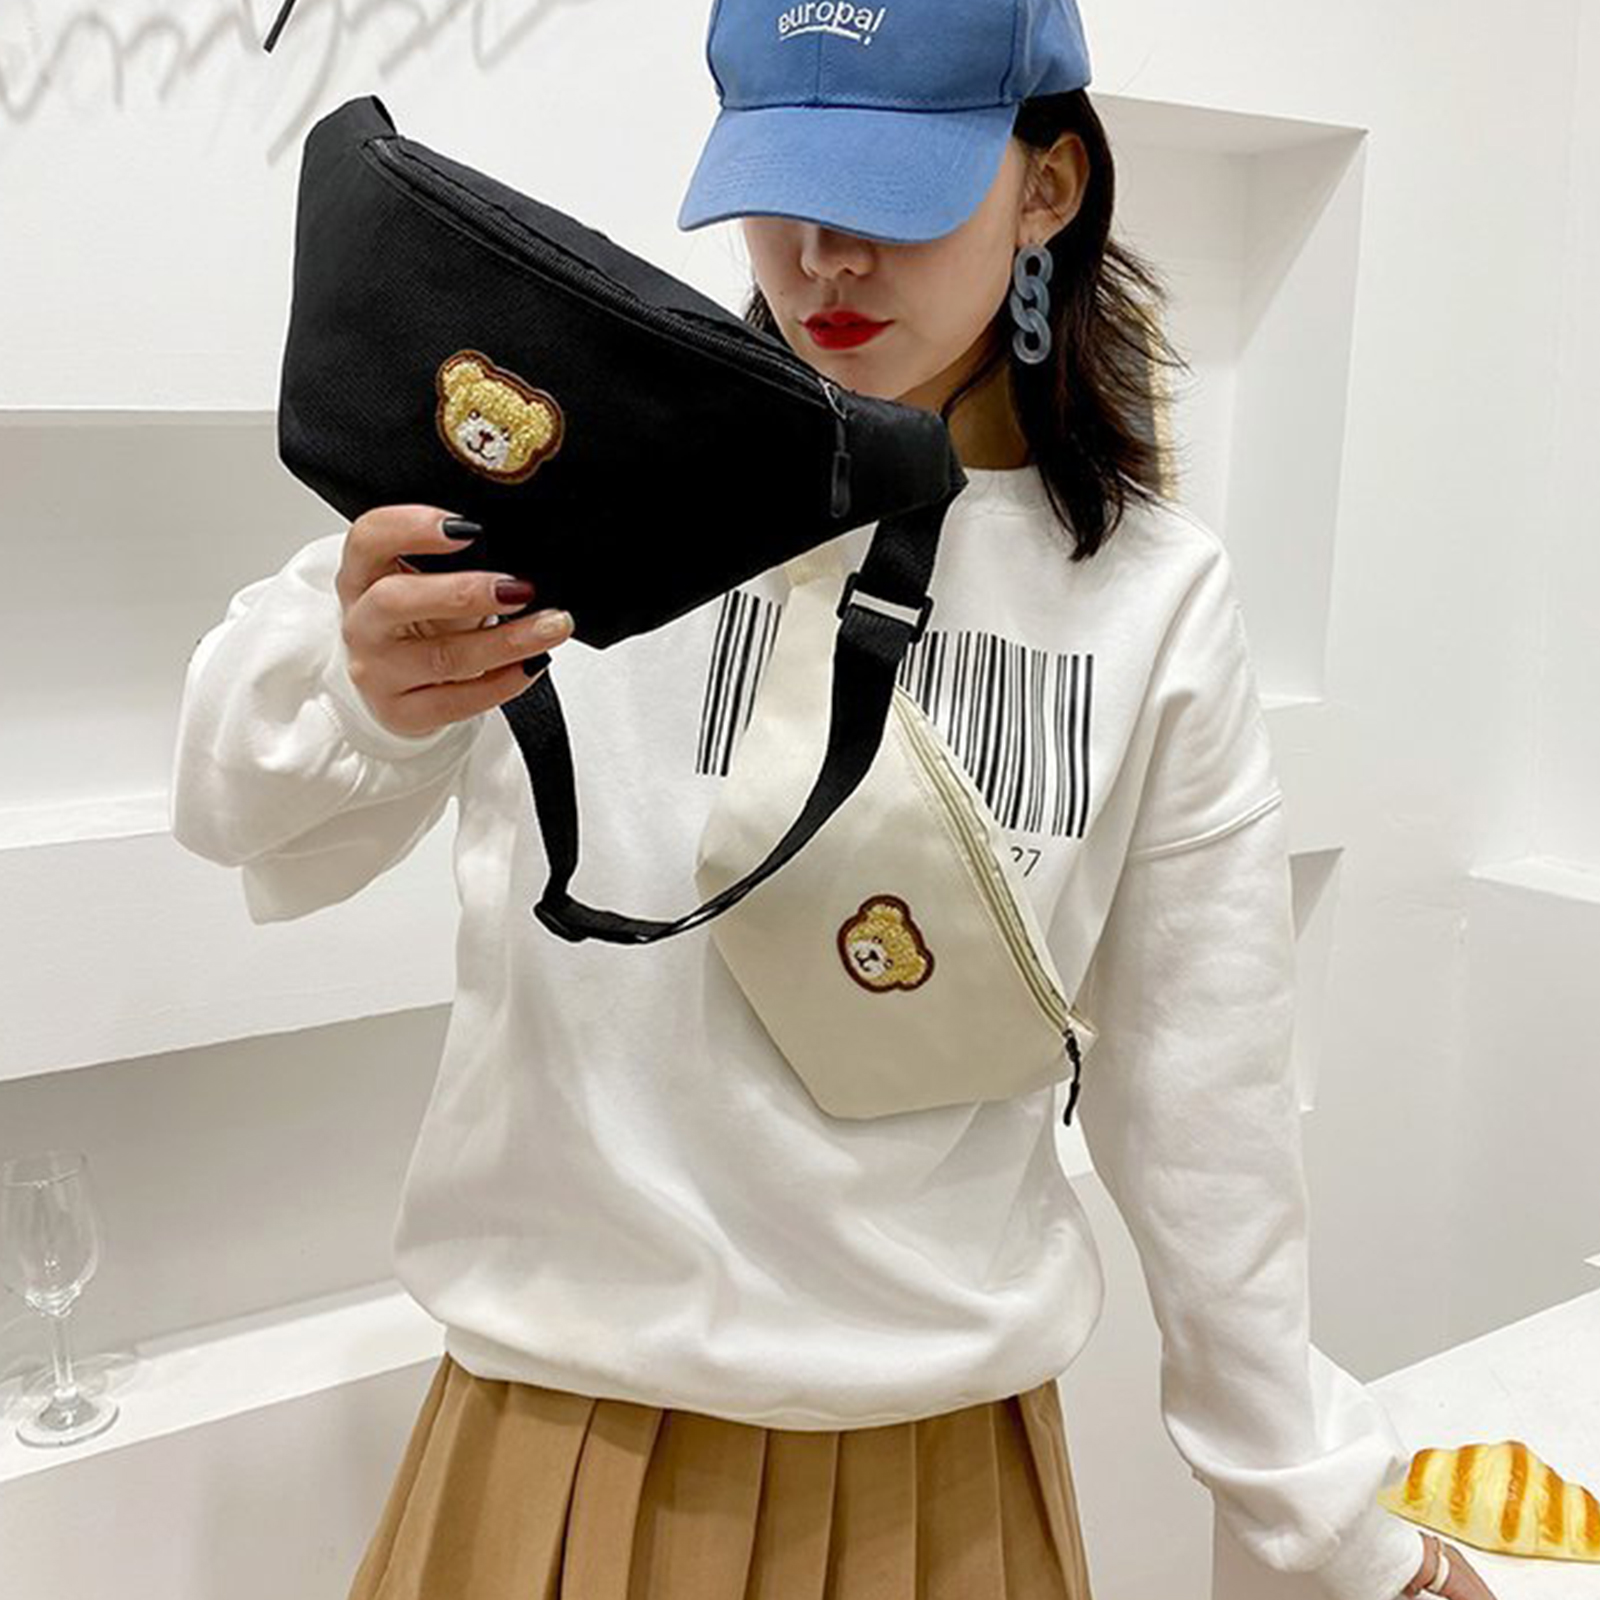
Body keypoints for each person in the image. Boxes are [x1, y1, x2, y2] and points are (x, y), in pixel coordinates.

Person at [171, 2, 1497, 1597]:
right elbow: (235, 808)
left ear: (1050, 185)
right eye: (782, 186)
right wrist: (359, 685)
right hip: (552, 1450)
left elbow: (1199, 1105)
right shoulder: (591, 465)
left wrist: (1331, 1524)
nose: (822, 257)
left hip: (938, 1488)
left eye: (890, 191)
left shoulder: (1146, 597)